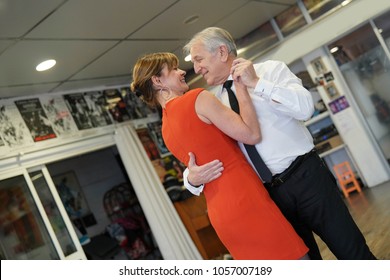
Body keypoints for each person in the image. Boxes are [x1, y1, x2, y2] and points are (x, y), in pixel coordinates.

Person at [182, 27, 376, 260]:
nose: (196, 69)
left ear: (222, 52)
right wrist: (190, 180)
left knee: (352, 252)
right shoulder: (214, 104)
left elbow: (305, 108)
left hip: (308, 179)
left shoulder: (270, 71)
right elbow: (209, 153)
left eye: (199, 59)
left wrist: (257, 83)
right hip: (270, 198)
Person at [131, 52, 309, 260]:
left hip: (221, 214)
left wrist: (190, 178)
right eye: (173, 69)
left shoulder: (165, 129)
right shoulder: (197, 98)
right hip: (246, 201)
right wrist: (240, 88)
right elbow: (251, 134)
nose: (182, 72)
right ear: (157, 80)